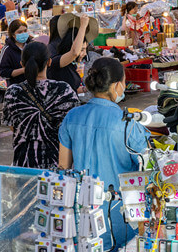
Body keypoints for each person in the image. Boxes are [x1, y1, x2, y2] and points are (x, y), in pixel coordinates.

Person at [58, 57, 148, 249]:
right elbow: (146, 170)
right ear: (116, 85)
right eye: (124, 82)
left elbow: (63, 168)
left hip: (81, 216)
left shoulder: (72, 116)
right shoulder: (128, 124)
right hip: (118, 219)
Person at [3, 42, 79, 168]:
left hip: (23, 166)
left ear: (22, 64)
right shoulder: (64, 90)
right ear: (49, 62)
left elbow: (12, 126)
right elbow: (73, 128)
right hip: (57, 167)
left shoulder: (13, 92)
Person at [49, 15, 89, 92]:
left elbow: (72, 90)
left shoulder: (72, 65)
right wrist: (83, 26)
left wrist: (88, 89)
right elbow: (74, 53)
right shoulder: (57, 61)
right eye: (82, 50)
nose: (85, 54)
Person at [0, 19, 29, 85]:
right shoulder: (7, 50)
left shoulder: (32, 45)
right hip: (16, 87)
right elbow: (3, 72)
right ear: (13, 35)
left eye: (25, 31)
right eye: (20, 32)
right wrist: (24, 70)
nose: (23, 34)